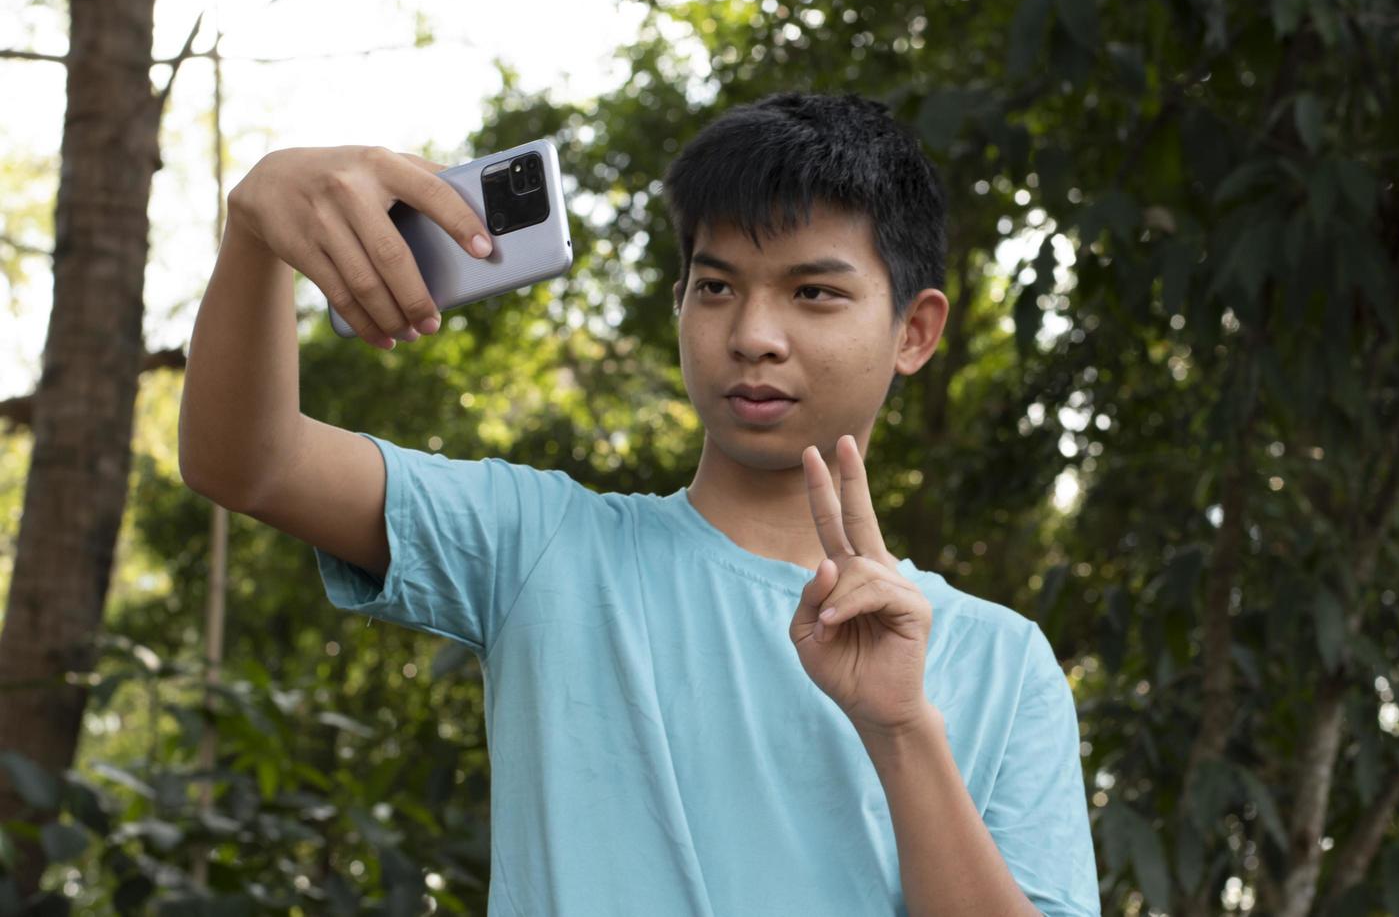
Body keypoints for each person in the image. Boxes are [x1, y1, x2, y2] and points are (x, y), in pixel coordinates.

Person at [179, 92, 1100, 916]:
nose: (753, 336)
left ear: (914, 330)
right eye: (716, 287)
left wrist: (902, 731)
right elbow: (249, 464)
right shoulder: (543, 547)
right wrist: (257, 235)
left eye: (814, 292)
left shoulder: (1003, 662)